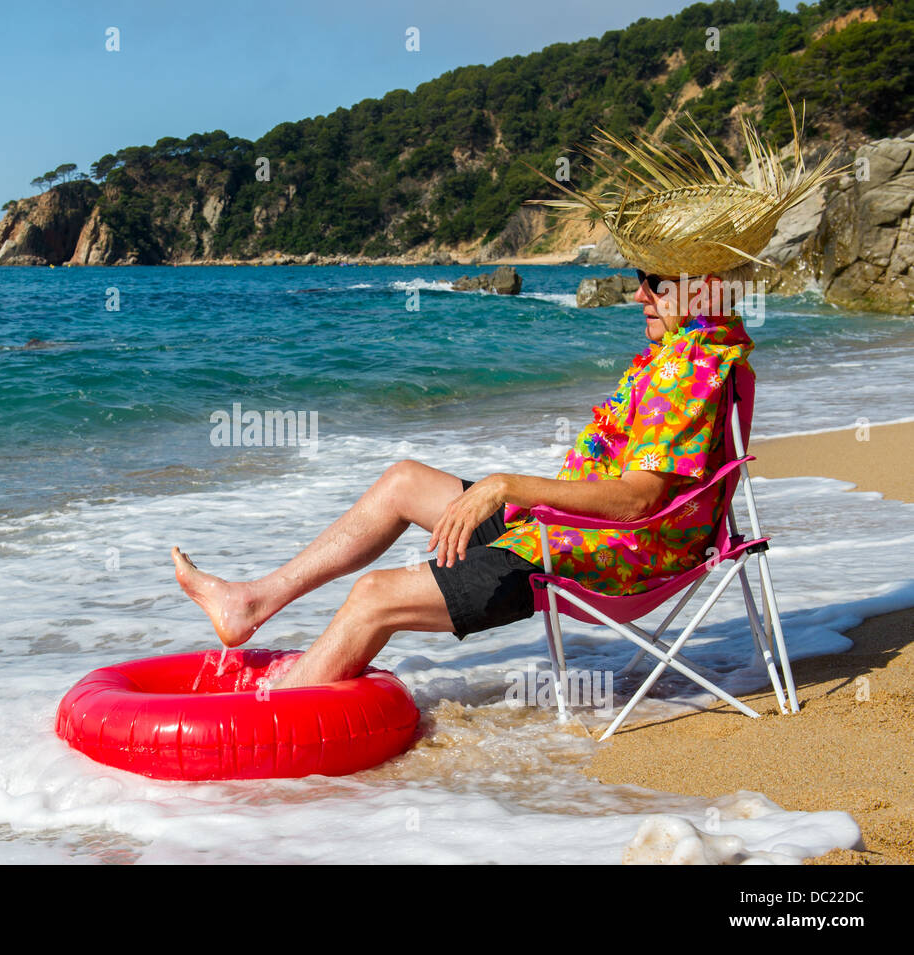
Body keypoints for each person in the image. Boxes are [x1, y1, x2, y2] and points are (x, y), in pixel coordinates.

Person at [172, 102, 842, 689]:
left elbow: (640, 498)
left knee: (375, 595)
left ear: (700, 285)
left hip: (621, 553)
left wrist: (504, 486)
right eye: (641, 276)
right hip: (599, 532)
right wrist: (512, 493)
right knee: (404, 480)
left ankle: (268, 736)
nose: (639, 293)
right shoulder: (698, 347)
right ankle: (253, 601)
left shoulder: (688, 369)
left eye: (655, 282)